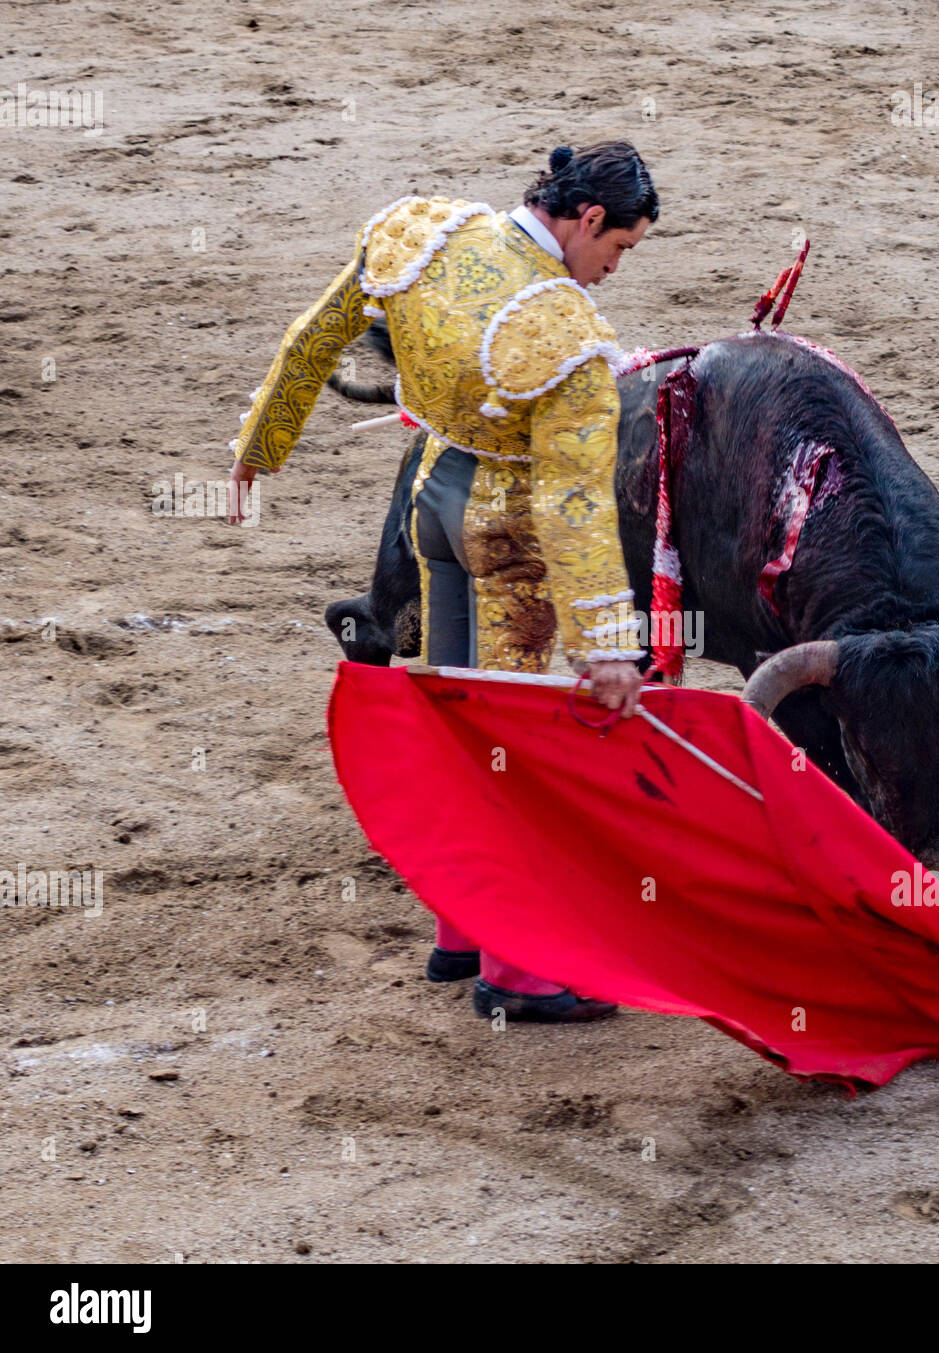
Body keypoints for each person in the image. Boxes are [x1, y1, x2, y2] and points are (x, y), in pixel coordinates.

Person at [227, 142, 658, 1022]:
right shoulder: (571, 341)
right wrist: (609, 645)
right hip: (507, 542)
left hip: (431, 504)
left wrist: (259, 444)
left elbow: (313, 337)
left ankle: (459, 928)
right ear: (586, 221)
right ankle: (519, 972)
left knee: (461, 727)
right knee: (516, 745)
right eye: (619, 248)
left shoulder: (423, 231)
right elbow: (574, 504)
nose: (613, 269)